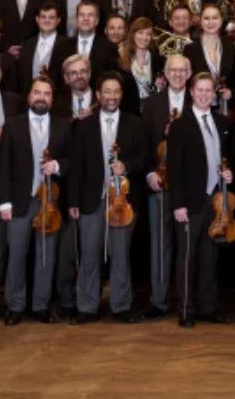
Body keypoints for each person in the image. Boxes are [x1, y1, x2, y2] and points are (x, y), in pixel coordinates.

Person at [68, 73, 149, 323]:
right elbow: (76, 166)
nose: (111, 96)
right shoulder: (84, 125)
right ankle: (87, 306)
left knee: (120, 254)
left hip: (122, 201)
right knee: (89, 254)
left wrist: (127, 166)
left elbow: (145, 159)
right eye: (107, 91)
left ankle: (121, 306)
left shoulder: (135, 124)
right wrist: (73, 201)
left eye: (116, 92)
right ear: (98, 95)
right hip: (91, 199)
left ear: (121, 95)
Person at [0, 76, 71, 324]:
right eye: (37, 92)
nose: (41, 97)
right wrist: (4, 202)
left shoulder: (63, 125)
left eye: (46, 94)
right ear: (29, 96)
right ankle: (15, 305)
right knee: (16, 254)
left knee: (46, 255)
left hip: (50, 202)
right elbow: (3, 165)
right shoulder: (13, 125)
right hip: (20, 200)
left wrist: (57, 165)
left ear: (52, 99)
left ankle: (40, 305)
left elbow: (73, 160)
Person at [167, 72, 230, 327]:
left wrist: (229, 172)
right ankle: (186, 310)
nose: (204, 95)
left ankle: (208, 307)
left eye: (208, 90)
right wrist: (178, 204)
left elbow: (226, 157)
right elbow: (174, 169)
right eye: (200, 90)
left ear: (214, 94)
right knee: (187, 257)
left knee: (209, 256)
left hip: (215, 199)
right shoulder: (180, 125)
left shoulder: (222, 122)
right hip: (190, 201)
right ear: (192, 92)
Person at [142, 53, 193, 320]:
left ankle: (187, 301)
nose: (177, 74)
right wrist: (150, 172)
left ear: (189, 73)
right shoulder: (151, 104)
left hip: (189, 185)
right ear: (164, 72)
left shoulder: (198, 99)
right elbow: (143, 144)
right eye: (173, 70)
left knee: (188, 246)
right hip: (159, 183)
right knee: (160, 244)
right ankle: (159, 301)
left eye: (182, 70)